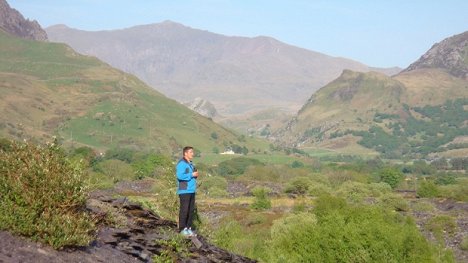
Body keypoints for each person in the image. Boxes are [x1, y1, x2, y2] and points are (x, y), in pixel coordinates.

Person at [176, 146, 199, 237]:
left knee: (190, 210)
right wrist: (191, 174)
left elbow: (191, 175)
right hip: (184, 190)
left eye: (192, 152)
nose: (192, 154)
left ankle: (189, 228)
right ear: (185, 153)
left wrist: (195, 175)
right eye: (191, 152)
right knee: (184, 210)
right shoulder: (181, 164)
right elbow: (180, 176)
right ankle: (182, 229)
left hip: (191, 190)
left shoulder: (191, 164)